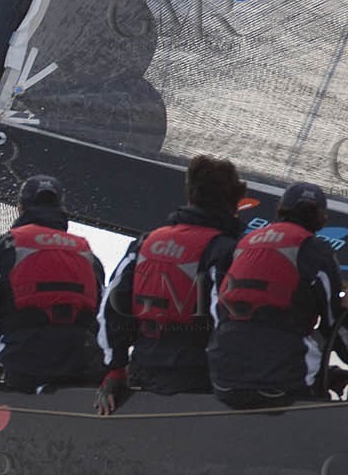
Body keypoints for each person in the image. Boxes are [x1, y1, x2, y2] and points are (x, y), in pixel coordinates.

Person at [96, 155, 246, 414]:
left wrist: (115, 369)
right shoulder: (225, 251)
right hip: (199, 385)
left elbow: (111, 309)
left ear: (190, 196)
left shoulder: (145, 242)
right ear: (235, 203)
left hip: (142, 375)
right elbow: (228, 323)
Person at [0, 175, 105, 399]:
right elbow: (106, 320)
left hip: (22, 367)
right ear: (62, 210)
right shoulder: (88, 255)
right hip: (84, 365)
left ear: (20, 208)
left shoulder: (1, 248)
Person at [207, 181, 342, 408]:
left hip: (223, 376)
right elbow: (334, 323)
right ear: (321, 218)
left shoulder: (242, 243)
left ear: (280, 208)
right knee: (312, 376)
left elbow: (216, 309)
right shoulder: (317, 252)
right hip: (284, 381)